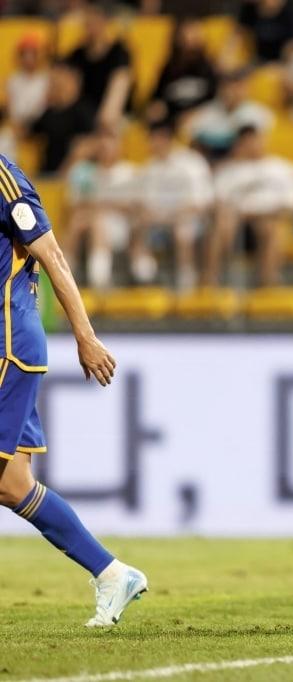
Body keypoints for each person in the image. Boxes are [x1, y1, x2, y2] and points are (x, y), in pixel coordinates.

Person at [0, 151, 148, 627]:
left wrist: (85, 336)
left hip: (7, 343)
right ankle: (111, 574)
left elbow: (53, 254)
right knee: (10, 484)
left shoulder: (4, 178)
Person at [203, 126, 293, 287]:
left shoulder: (283, 168)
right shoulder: (228, 171)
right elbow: (216, 202)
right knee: (220, 226)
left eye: (255, 140)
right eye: (246, 141)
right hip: (235, 222)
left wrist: (264, 214)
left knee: (270, 228)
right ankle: (210, 282)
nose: (252, 145)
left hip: (268, 218)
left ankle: (267, 282)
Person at [135, 121, 214, 291]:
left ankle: (186, 284)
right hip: (159, 221)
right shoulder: (150, 168)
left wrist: (172, 215)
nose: (150, 144)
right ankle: (145, 279)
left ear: (165, 139)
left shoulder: (193, 163)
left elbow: (203, 202)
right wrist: (156, 216)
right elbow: (144, 204)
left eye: (153, 139)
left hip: (192, 220)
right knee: (138, 224)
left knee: (182, 229)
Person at [63, 127, 138, 289]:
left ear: (118, 148)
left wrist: (102, 204)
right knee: (77, 221)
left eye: (109, 147)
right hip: (91, 220)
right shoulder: (87, 172)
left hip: (120, 226)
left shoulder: (128, 172)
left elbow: (134, 206)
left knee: (97, 221)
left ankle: (99, 282)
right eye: (102, 147)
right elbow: (76, 203)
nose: (105, 151)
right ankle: (63, 274)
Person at [64, 2, 133, 130]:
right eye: (88, 21)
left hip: (113, 116)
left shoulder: (119, 52)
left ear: (105, 21)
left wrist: (106, 119)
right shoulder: (77, 54)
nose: (91, 25)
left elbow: (120, 85)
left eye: (96, 19)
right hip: (83, 115)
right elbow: (68, 87)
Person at [186, 70, 274, 161]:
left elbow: (255, 150)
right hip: (209, 162)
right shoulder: (205, 112)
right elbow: (193, 144)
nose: (232, 92)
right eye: (228, 87)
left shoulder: (259, 114)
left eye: (238, 87)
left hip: (244, 164)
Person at [147, 17, 219, 126]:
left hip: (200, 120)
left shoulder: (207, 67)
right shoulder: (169, 68)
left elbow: (215, 101)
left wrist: (194, 113)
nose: (190, 40)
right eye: (186, 35)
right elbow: (158, 99)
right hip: (172, 121)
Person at [29, 62, 94, 175]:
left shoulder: (83, 110)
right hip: (47, 172)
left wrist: (61, 175)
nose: (54, 84)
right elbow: (28, 132)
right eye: (52, 82)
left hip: (71, 175)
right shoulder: (49, 112)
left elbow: (85, 147)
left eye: (57, 81)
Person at [6, 33, 50, 130]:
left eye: (32, 54)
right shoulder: (13, 80)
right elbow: (10, 109)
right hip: (16, 126)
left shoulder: (46, 79)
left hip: (40, 125)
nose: (28, 59)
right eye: (24, 54)